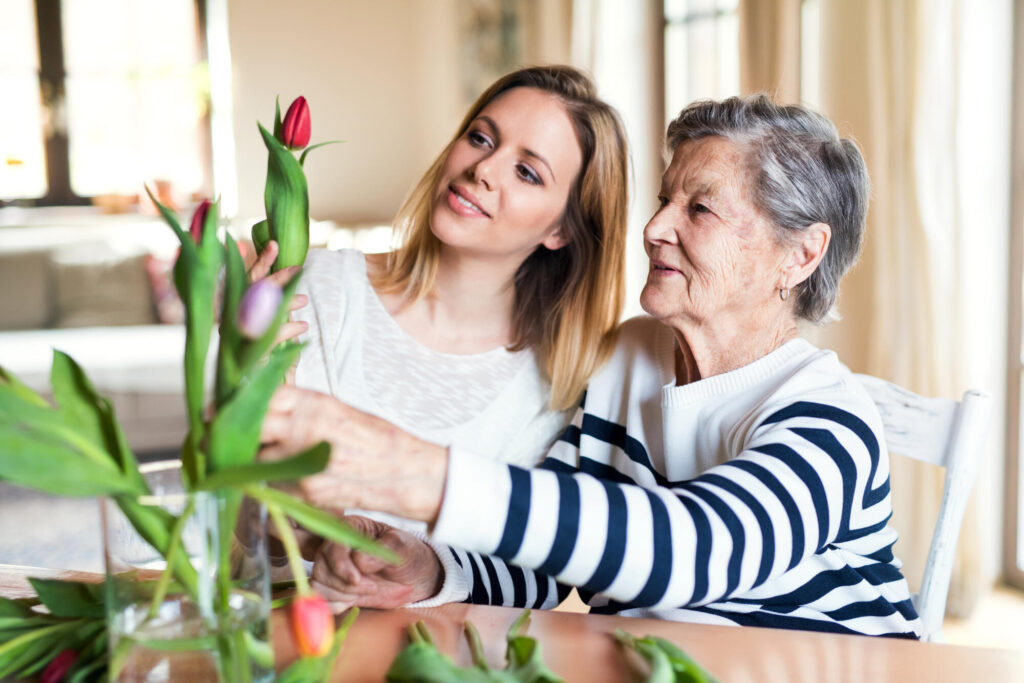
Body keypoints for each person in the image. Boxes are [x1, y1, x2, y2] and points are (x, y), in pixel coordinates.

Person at [259, 94, 923, 638]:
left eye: (699, 208)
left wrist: (419, 473)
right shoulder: (628, 359)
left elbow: (686, 554)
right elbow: (550, 565)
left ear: (800, 255)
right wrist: (432, 570)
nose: (656, 227)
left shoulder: (830, 419)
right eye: (665, 199)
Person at [250, 66, 629, 576]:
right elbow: (244, 538)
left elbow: (522, 580)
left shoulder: (559, 388)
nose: (484, 169)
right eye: (480, 138)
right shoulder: (309, 290)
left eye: (527, 172)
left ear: (561, 229)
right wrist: (244, 380)